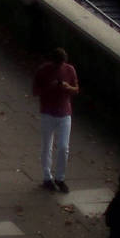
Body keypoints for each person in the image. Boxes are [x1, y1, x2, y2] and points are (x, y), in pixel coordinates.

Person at [35, 45, 80, 191]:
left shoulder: (70, 70)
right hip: (47, 112)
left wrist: (68, 87)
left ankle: (60, 178)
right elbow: (36, 91)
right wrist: (50, 87)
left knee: (63, 147)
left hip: (64, 113)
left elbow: (76, 89)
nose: (59, 67)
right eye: (57, 64)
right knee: (46, 146)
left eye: (61, 64)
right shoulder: (43, 71)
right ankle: (47, 176)